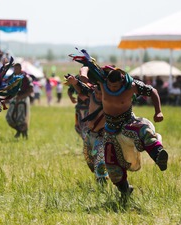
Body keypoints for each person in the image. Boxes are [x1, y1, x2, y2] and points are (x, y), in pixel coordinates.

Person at [69, 50, 168, 200]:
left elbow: (152, 91)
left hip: (127, 121)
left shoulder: (132, 86)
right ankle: (125, 190)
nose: (113, 89)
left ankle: (158, 154)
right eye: (111, 85)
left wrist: (158, 112)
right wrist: (83, 74)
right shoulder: (100, 86)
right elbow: (86, 69)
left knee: (143, 130)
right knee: (111, 164)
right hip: (110, 129)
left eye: (116, 86)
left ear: (122, 81)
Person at [65, 71, 109, 183]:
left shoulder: (110, 99)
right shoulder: (92, 93)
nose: (98, 96)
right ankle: (99, 175)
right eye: (97, 93)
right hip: (90, 133)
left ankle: (102, 180)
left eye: (101, 94)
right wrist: (75, 82)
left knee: (100, 157)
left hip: (103, 134)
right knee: (89, 159)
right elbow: (81, 89)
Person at [6, 63, 34, 139]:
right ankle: (19, 131)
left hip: (23, 99)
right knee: (9, 117)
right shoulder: (12, 77)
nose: (15, 70)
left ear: (20, 68)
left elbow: (31, 89)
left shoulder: (26, 77)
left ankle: (25, 134)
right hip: (14, 98)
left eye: (17, 68)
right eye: (14, 69)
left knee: (21, 119)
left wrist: (22, 96)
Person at [67, 67, 90, 138]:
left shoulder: (94, 77)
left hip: (90, 105)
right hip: (80, 105)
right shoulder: (76, 78)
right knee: (79, 125)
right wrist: (71, 97)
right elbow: (70, 90)